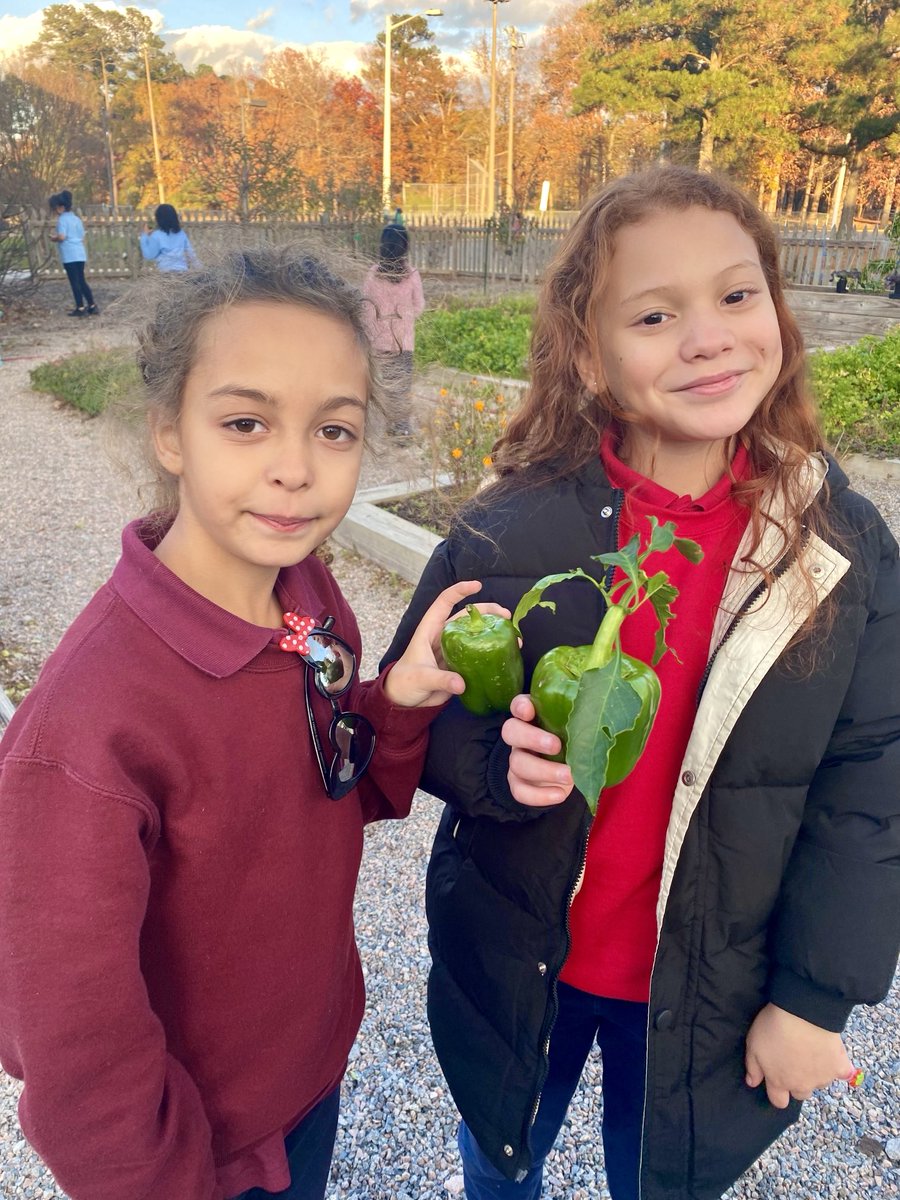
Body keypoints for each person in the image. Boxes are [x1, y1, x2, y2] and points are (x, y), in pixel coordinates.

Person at [382, 166, 900, 1200]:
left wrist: (812, 1000)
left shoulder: (838, 547)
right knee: (501, 1156)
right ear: (588, 352)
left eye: (737, 295)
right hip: (528, 955)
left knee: (660, 1176)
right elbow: (424, 707)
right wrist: (492, 765)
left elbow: (872, 780)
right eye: (656, 313)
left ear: (778, 314)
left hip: (716, 980)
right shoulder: (508, 530)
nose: (708, 336)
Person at [0, 246, 498, 1200]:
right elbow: (73, 1051)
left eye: (335, 431)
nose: (295, 470)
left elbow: (335, 782)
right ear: (168, 432)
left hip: (309, 1075)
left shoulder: (305, 596)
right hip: (209, 1155)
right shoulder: (89, 735)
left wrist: (394, 703)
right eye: (245, 422)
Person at [362, 223, 425, 440]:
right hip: (403, 342)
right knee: (401, 386)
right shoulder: (412, 275)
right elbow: (419, 306)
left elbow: (366, 307)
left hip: (378, 342)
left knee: (380, 385)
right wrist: (404, 318)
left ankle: (374, 429)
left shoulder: (373, 275)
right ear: (405, 246)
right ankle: (400, 429)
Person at [48, 189, 98, 316]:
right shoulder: (76, 219)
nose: (55, 211)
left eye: (55, 208)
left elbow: (62, 237)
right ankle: (92, 305)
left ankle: (80, 308)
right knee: (81, 280)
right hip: (80, 253)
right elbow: (81, 236)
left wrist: (54, 238)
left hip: (69, 254)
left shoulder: (62, 220)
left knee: (74, 281)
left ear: (61, 207)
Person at [140, 203, 201, 272]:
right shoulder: (181, 234)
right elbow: (191, 254)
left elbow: (149, 255)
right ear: (175, 217)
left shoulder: (157, 235)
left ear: (158, 218)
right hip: (183, 274)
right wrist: (200, 270)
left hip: (166, 275)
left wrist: (144, 236)